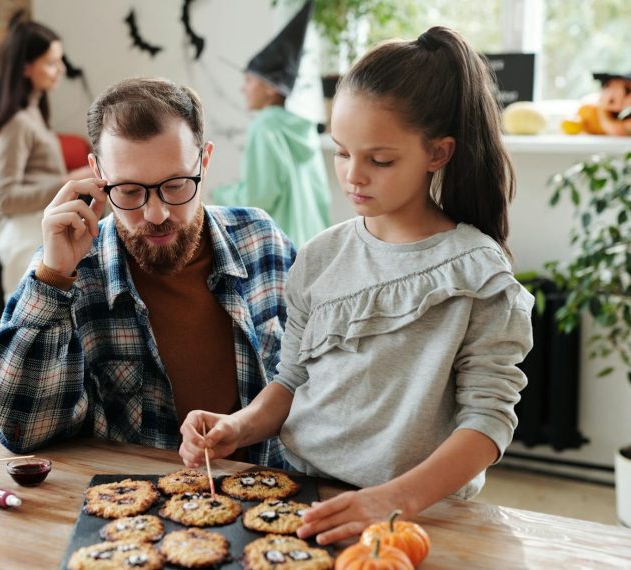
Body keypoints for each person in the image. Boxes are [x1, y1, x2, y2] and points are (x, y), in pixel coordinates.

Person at [180, 26, 534, 544]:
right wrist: (242, 424)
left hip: (417, 514)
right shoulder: (321, 255)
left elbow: (488, 421)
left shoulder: (479, 274)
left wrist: (395, 499)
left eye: (380, 159)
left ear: (438, 153)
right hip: (299, 496)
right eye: (342, 152)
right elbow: (291, 379)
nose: (353, 177)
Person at [0, 78, 296, 468]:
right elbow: (20, 430)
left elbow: (317, 384)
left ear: (205, 161)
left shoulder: (263, 244)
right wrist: (54, 277)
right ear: (97, 173)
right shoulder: (70, 271)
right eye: (129, 192)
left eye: (177, 186)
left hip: (266, 502)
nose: (156, 214)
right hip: (131, 515)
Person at [0, 16, 93, 300]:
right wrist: (69, 181)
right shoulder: (17, 123)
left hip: (34, 229)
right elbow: (2, 198)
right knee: (31, 315)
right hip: (21, 233)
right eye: (51, 62)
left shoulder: (34, 115)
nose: (62, 69)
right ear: (26, 67)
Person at [212, 0, 331, 247]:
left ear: (269, 88)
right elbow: (322, 199)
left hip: (281, 248)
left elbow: (258, 199)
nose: (243, 89)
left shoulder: (265, 126)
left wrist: (220, 193)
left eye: (249, 81)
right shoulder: (304, 128)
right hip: (314, 244)